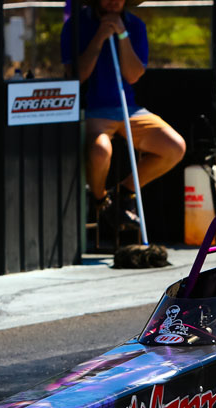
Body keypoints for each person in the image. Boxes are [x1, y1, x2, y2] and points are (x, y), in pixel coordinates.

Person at [60, 0, 185, 235]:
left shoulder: (135, 25)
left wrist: (122, 35)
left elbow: (133, 75)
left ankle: (123, 193)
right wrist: (99, 36)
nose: (113, 1)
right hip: (92, 110)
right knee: (100, 151)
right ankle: (100, 201)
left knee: (174, 147)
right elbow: (77, 75)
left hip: (129, 109)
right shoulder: (75, 26)